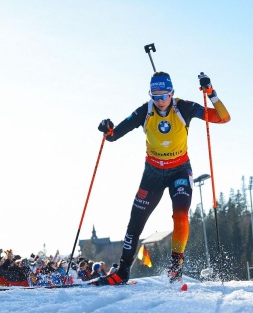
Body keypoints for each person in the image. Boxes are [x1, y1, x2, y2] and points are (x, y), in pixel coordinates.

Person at [95, 71, 230, 286]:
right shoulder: (145, 111)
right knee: (135, 221)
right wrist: (107, 128)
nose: (159, 101)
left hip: (180, 170)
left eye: (164, 96)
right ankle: (122, 271)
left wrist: (211, 92)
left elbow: (223, 117)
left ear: (172, 93)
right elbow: (113, 136)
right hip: (153, 173)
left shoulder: (184, 107)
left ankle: (175, 268)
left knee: (180, 215)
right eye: (155, 96)